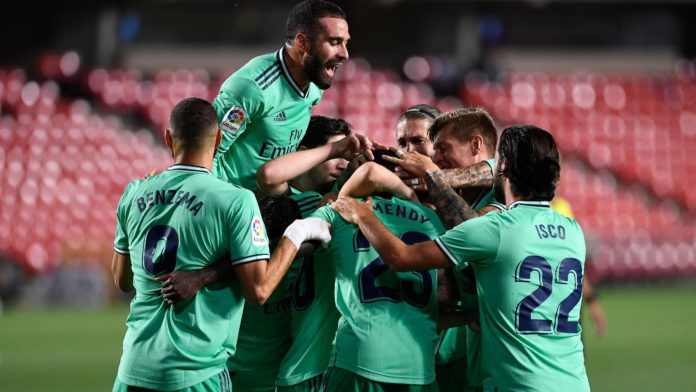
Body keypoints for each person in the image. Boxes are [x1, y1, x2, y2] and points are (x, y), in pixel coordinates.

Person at [331, 125, 591, 392]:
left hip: (520, 384)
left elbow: (401, 257)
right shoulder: (574, 232)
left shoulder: (496, 228)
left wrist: (363, 215)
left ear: (504, 165)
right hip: (574, 381)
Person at [110, 97, 331, 392]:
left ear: (167, 138)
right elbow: (259, 290)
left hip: (132, 371)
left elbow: (122, 280)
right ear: (218, 138)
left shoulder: (134, 192)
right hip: (196, 373)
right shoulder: (236, 200)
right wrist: (296, 234)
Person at [306, 157, 446, 391]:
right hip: (418, 362)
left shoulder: (342, 211)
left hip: (358, 357)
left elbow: (300, 237)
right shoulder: (432, 220)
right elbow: (444, 290)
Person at [389, 107, 504, 391]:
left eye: (419, 142)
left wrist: (430, 176)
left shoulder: (497, 194)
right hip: (412, 351)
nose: (409, 152)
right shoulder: (395, 203)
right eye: (402, 143)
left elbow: (493, 167)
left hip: (467, 352)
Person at [212, 0, 350, 191]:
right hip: (230, 201)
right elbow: (206, 154)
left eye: (345, 43)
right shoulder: (252, 89)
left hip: (272, 200)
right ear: (302, 42)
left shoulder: (315, 85)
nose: (345, 54)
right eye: (334, 42)